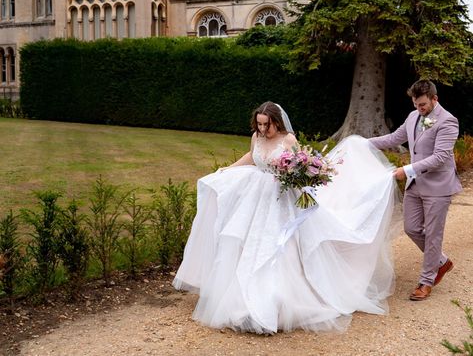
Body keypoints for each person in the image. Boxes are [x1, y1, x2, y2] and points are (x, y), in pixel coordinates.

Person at [173, 101, 401, 334]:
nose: (262, 129)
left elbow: (302, 167)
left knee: (282, 247)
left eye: (267, 125)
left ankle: (280, 302)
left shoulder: (288, 140)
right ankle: (241, 300)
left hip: (282, 197)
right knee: (245, 240)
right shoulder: (256, 136)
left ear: (277, 122)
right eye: (259, 124)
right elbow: (252, 157)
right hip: (256, 195)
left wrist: (295, 176)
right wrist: (226, 169)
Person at [369, 79, 462, 301]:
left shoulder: (448, 122)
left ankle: (427, 280)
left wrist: (407, 169)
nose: (418, 109)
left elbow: (440, 157)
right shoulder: (413, 116)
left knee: (432, 234)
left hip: (438, 186)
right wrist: (364, 143)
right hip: (416, 185)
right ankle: (441, 262)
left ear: (434, 99)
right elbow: (394, 138)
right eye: (415, 104)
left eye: (422, 105)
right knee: (411, 228)